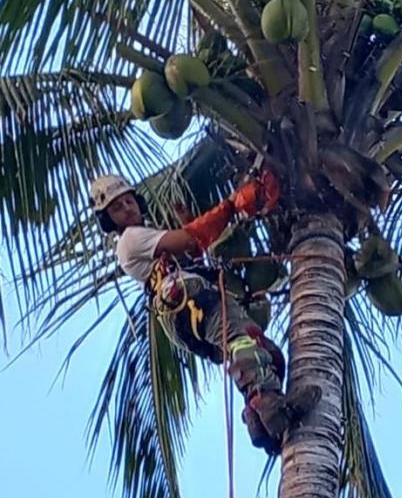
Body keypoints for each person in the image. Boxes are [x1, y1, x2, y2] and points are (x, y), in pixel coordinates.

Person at [89, 171, 320, 454]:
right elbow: (189, 241)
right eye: (116, 207)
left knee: (265, 352)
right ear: (108, 220)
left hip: (184, 310)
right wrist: (231, 205)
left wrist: (191, 220)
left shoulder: (146, 237)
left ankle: (260, 423)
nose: (126, 208)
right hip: (189, 300)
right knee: (244, 339)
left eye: (128, 201)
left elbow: (190, 253)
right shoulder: (130, 240)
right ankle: (269, 407)